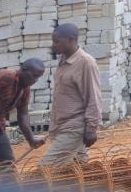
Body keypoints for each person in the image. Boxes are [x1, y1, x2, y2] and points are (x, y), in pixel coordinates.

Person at [40, 24, 101, 169]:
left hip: (74, 127)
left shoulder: (86, 62)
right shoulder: (63, 61)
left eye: (57, 41)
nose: (53, 45)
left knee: (46, 169)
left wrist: (91, 128)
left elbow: (93, 97)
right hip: (60, 125)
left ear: (71, 39)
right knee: (75, 170)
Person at [0, 60, 46, 174]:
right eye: (34, 76)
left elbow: (23, 115)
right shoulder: (6, 76)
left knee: (8, 166)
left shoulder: (25, 89)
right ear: (24, 69)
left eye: (38, 77)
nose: (35, 80)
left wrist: (31, 139)